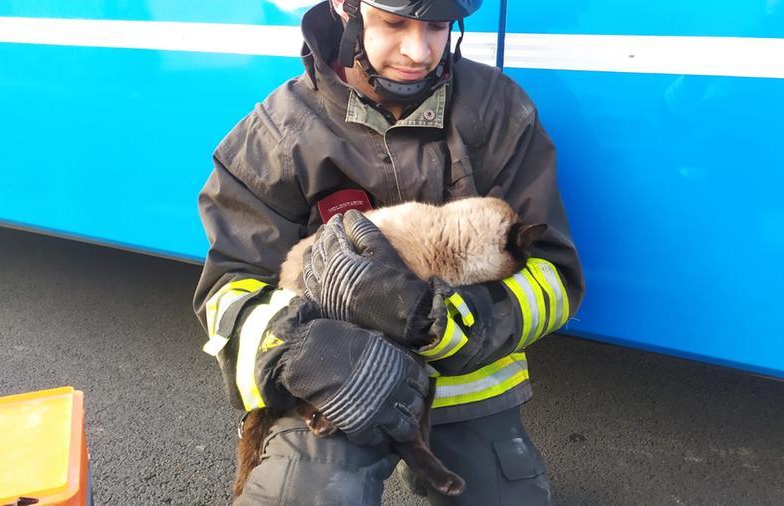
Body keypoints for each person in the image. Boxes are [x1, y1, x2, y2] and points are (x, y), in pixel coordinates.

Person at [193, 0, 584, 504]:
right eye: (395, 23)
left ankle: (432, 465)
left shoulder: (499, 110)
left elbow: (554, 274)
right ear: (346, 9)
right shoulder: (279, 131)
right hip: (336, 390)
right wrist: (296, 351)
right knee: (308, 494)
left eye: (438, 27)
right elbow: (230, 289)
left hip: (464, 389)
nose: (418, 50)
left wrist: (459, 321)